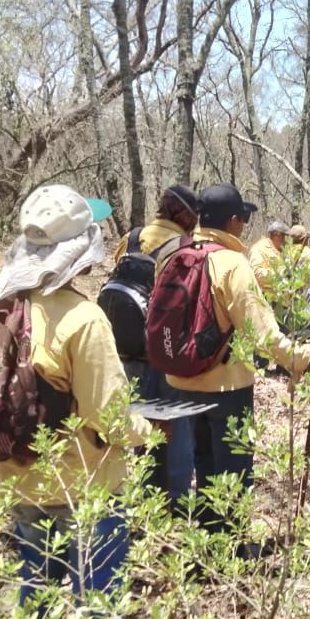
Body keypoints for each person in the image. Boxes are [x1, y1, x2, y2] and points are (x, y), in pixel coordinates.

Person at [0, 184, 152, 619]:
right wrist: (147, 428)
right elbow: (110, 417)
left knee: (37, 579)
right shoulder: (84, 319)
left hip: (17, 473)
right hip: (85, 484)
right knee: (99, 589)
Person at [163, 184, 310, 531]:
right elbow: (262, 332)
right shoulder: (233, 264)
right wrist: (300, 358)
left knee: (203, 466)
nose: (244, 226)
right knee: (233, 473)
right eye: (243, 219)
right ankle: (231, 549)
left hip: (182, 379)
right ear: (232, 221)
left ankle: (206, 542)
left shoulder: (174, 254)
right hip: (226, 387)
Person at [107, 184, 200, 509]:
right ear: (189, 216)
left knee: (141, 424)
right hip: (166, 355)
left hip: (125, 350)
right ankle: (173, 501)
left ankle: (145, 494)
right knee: (176, 430)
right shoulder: (187, 247)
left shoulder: (132, 238)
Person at [248, 220, 290, 292]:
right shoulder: (259, 249)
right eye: (286, 236)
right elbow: (258, 274)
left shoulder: (281, 251)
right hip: (266, 297)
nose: (287, 240)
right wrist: (281, 275)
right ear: (277, 235)